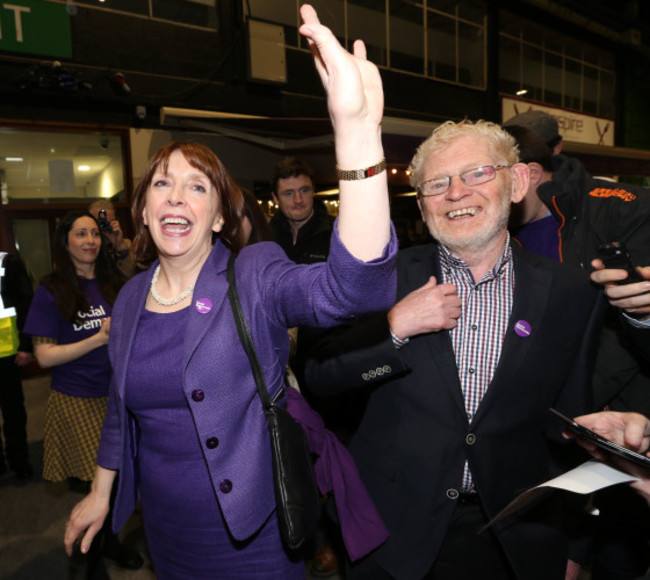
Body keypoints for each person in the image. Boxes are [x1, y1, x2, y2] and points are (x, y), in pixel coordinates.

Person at [64, 5, 397, 579]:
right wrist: (101, 491)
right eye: (162, 184)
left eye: (197, 187)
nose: (175, 197)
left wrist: (358, 134)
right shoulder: (129, 298)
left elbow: (355, 288)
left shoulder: (255, 274)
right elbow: (120, 411)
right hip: (166, 530)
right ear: (143, 209)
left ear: (219, 216)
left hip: (255, 536)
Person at [303, 119, 604, 580]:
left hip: (514, 538)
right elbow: (321, 377)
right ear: (422, 204)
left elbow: (576, 427)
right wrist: (395, 327)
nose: (457, 193)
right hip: (392, 537)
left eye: (478, 173)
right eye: (437, 183)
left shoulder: (570, 291)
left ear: (518, 181)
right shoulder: (380, 281)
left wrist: (577, 545)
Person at [23, 211, 139, 579]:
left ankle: (111, 543)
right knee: (99, 484)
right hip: (77, 401)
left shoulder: (113, 284)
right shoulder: (51, 289)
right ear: (65, 242)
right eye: (80, 234)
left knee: (119, 480)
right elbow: (44, 355)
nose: (89, 240)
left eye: (94, 233)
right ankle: (92, 563)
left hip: (116, 399)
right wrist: (98, 338)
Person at [0, 251, 34, 480]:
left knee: (13, 411)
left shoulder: (7, 262)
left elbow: (25, 304)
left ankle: (19, 461)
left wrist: (26, 345)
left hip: (7, 353)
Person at [269, 156, 334, 264]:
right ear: (275, 198)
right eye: (289, 193)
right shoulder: (266, 238)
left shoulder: (336, 235)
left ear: (313, 191)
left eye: (304, 190)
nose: (298, 200)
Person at [88, 200, 136, 278]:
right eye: (99, 221)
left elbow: (131, 277)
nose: (103, 225)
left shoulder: (126, 245)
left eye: (108, 221)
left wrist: (119, 246)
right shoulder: (86, 245)